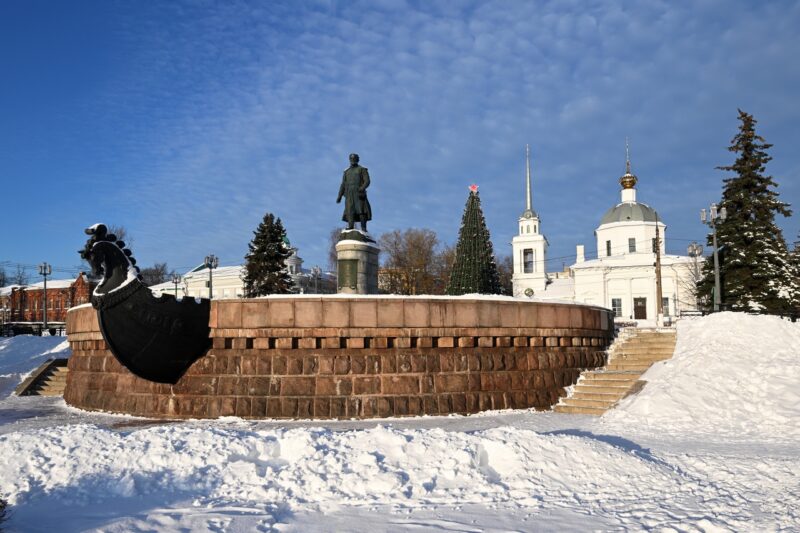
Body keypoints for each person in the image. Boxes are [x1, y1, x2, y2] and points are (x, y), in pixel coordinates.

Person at [336, 153, 372, 231]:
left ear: (357, 160)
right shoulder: (346, 172)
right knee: (350, 209)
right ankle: (351, 226)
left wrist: (362, 188)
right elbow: (343, 184)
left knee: (361, 210)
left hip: (359, 192)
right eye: (351, 159)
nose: (353, 160)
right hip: (349, 193)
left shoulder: (362, 169)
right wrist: (339, 196)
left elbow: (367, 181)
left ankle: (364, 228)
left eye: (354, 159)